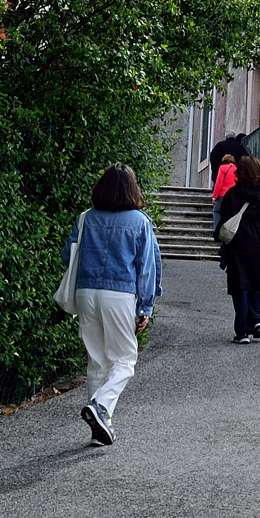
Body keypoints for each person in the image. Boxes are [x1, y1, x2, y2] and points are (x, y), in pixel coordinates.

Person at [62, 164, 161, 446]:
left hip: (85, 292)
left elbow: (67, 255)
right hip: (119, 294)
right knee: (125, 359)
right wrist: (145, 306)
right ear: (132, 189)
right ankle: (101, 406)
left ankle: (100, 428)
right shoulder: (139, 221)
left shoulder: (86, 218)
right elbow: (147, 267)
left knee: (97, 361)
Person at [214, 155, 260, 342]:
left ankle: (242, 331)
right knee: (255, 281)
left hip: (238, 241)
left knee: (239, 285)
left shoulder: (232, 194)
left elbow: (224, 219)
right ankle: (258, 319)